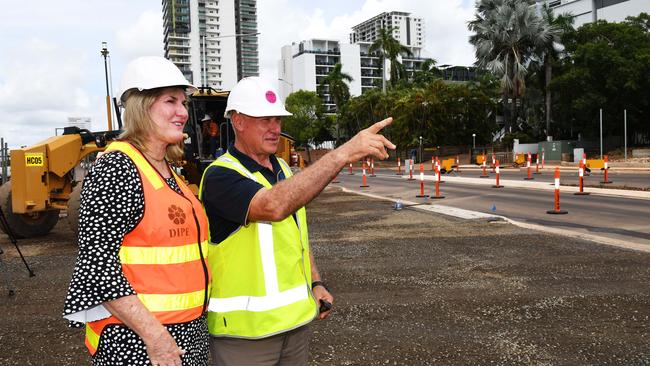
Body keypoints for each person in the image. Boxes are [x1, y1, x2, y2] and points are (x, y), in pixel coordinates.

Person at [199, 76, 395, 365]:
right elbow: (273, 206)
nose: (275, 128)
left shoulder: (282, 169)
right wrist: (343, 153)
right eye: (265, 119)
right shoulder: (220, 175)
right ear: (238, 121)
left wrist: (316, 282)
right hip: (245, 335)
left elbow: (296, 236)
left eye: (277, 119)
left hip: (295, 325)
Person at [63, 56, 211, 366]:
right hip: (138, 341)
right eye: (170, 101)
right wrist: (155, 338)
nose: (183, 112)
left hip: (186, 332)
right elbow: (97, 267)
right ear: (141, 107)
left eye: (183, 102)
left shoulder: (165, 168)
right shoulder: (117, 167)